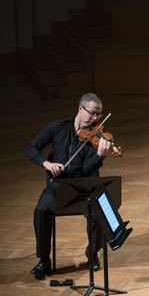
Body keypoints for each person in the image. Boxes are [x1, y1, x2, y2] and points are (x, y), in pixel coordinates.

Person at [26, 93, 112, 280]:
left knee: (98, 213)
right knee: (41, 210)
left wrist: (99, 157)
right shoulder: (57, 127)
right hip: (58, 185)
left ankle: (92, 252)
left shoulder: (95, 139)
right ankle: (44, 260)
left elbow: (87, 169)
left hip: (84, 186)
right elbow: (32, 148)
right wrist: (47, 164)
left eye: (99, 114)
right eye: (93, 114)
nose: (96, 119)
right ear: (80, 109)